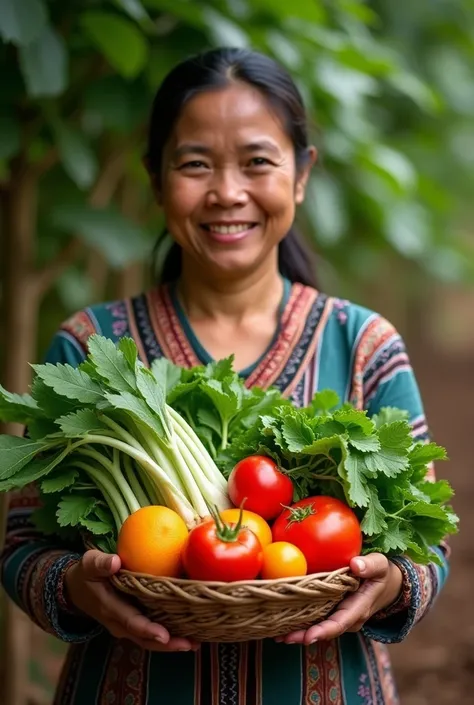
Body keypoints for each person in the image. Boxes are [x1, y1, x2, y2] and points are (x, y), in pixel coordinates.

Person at [0, 48, 449, 705]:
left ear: (301, 175)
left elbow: (427, 545)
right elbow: (19, 544)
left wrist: (391, 584)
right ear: (156, 180)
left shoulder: (364, 344)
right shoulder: (93, 345)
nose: (228, 192)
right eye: (195, 164)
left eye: (257, 161)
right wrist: (73, 584)